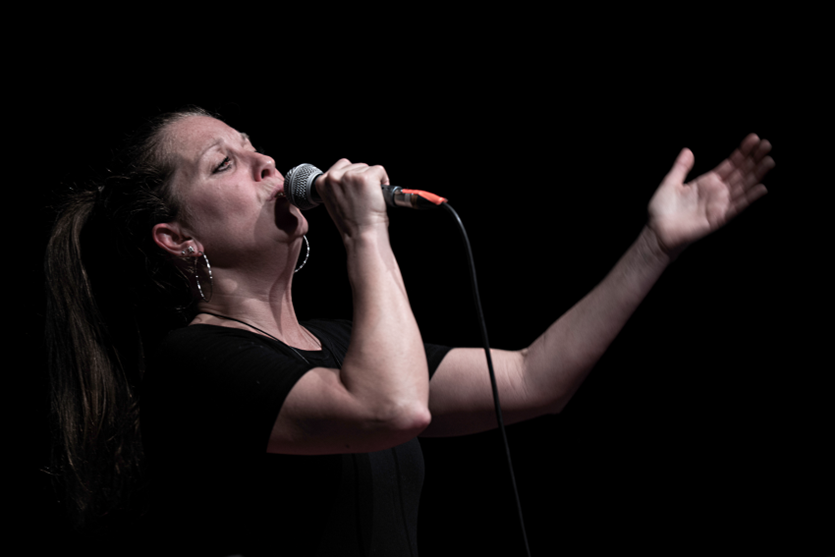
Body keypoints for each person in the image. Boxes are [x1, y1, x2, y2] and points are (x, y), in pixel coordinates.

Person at [43, 106, 774, 556]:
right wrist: (368, 232)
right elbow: (390, 409)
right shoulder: (194, 362)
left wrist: (655, 246)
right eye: (225, 163)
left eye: (252, 143)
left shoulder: (341, 346)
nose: (267, 161)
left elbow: (533, 379)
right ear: (179, 239)